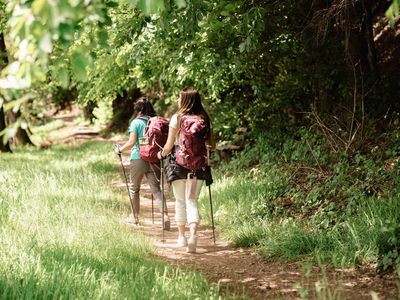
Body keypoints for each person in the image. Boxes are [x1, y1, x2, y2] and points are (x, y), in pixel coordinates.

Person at [157, 87, 214, 253]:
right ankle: (193, 236)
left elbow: (168, 147)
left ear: (185, 100)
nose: (177, 100)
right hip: (199, 167)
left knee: (180, 201)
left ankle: (181, 237)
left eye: (179, 98)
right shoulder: (205, 119)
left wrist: (161, 154)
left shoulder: (178, 118)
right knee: (192, 201)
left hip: (179, 166)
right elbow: (212, 145)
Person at [115, 97, 170, 229]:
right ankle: (165, 216)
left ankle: (134, 217)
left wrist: (119, 150)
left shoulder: (136, 123)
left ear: (137, 109)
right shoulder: (154, 122)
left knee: (134, 189)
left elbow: (132, 142)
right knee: (156, 190)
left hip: (138, 158)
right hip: (154, 159)